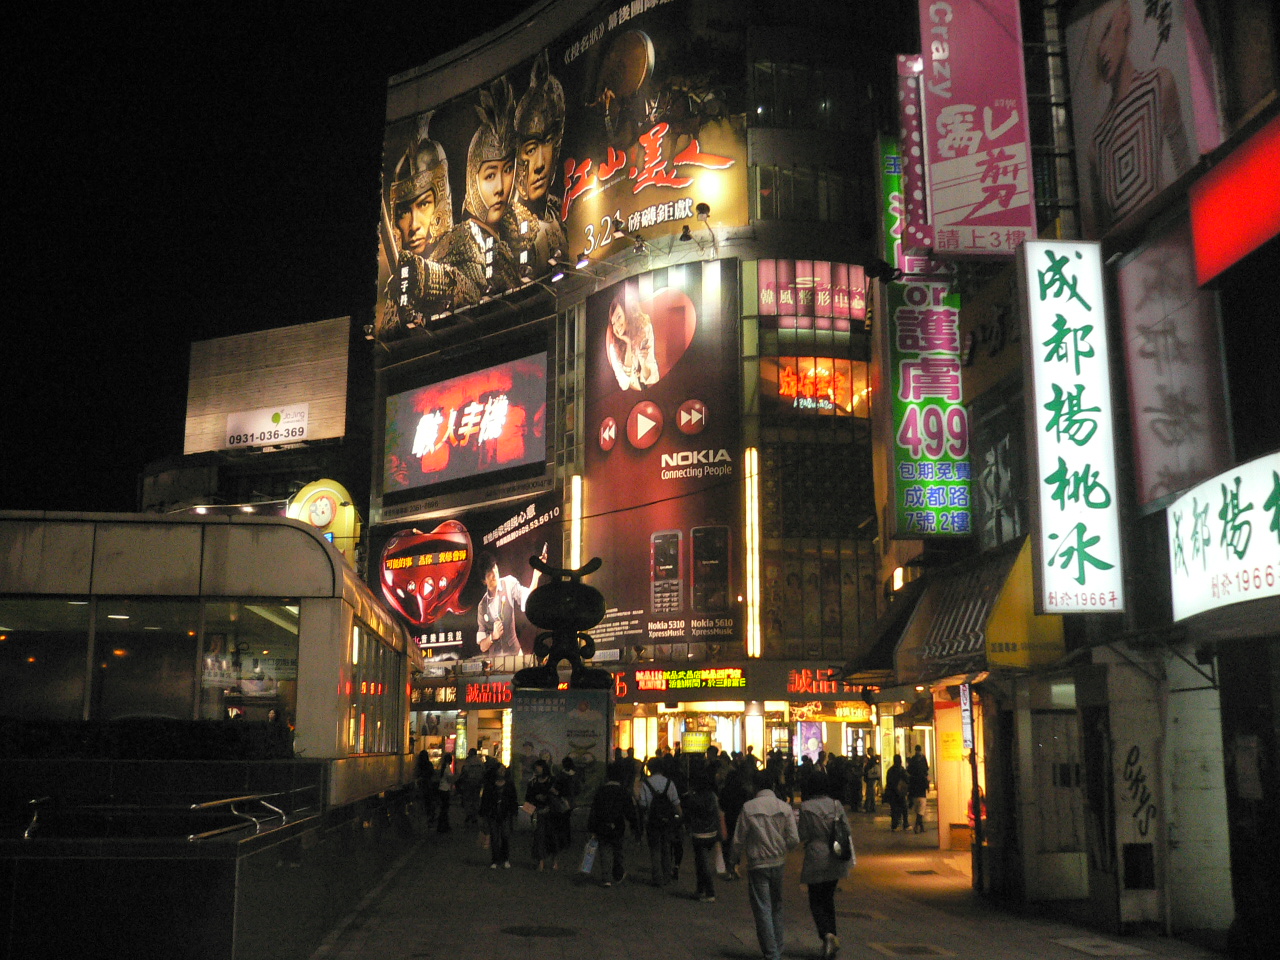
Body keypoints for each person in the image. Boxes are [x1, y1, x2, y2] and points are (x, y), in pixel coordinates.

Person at [1083, 0, 1191, 233]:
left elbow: (1185, 167)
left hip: (1169, 234)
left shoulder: (1159, 84)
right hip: (1130, 255)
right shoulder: (1097, 143)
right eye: (1097, 44)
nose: (1101, 52)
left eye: (1106, 32)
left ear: (1124, 18)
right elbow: (1099, 233)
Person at [380, 111, 480, 335]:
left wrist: (423, 277)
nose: (413, 224)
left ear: (440, 200)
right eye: (404, 211)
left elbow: (472, 290)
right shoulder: (398, 280)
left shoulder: (465, 241)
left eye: (423, 204)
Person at [437, 76, 524, 298]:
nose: (500, 188)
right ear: (472, 179)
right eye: (490, 175)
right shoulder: (460, 243)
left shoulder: (515, 231)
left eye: (507, 170)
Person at [732, 770, 801, 960]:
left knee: (762, 907)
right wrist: (782, 848)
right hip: (778, 862)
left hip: (757, 863)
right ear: (772, 786)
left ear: (755, 786)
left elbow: (738, 839)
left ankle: (771, 953)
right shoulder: (784, 807)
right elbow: (794, 839)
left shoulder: (748, 808)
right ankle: (777, 948)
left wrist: (734, 860)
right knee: (777, 905)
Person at [510, 50, 568, 274]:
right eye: (531, 149)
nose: (540, 163)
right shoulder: (507, 229)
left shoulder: (560, 214)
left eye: (548, 143)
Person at [799, 771, 852, 960]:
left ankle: (827, 935)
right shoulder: (836, 805)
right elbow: (846, 829)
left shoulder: (806, 807)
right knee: (828, 898)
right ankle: (832, 937)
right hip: (835, 856)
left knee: (815, 898)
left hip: (816, 854)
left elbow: (803, 834)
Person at [476, 547, 546, 657]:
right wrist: (492, 636)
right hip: (495, 662)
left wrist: (536, 575)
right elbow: (482, 646)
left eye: (494, 567)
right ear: (484, 580)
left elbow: (528, 599)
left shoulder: (508, 583)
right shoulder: (482, 606)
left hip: (515, 654)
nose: (494, 573)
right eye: (489, 572)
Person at [588, 760, 641, 886]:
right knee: (618, 850)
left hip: (602, 824)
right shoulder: (623, 791)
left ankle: (606, 877)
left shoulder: (601, 791)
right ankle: (617, 873)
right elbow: (630, 811)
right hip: (618, 825)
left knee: (604, 850)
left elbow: (594, 809)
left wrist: (592, 827)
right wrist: (635, 827)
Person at [638, 755, 682, 888]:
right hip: (667, 820)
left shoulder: (645, 783)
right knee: (666, 848)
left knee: (655, 849)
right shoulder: (669, 783)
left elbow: (643, 804)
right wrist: (680, 818)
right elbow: (676, 803)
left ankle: (657, 878)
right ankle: (667, 876)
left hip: (652, 820)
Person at [683, 770, 727, 902]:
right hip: (711, 832)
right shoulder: (712, 796)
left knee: (702, 863)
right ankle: (700, 889)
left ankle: (709, 892)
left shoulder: (693, 798)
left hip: (698, 833)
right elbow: (716, 813)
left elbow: (688, 814)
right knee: (701, 861)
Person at [605, 296, 660, 391]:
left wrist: (643, 363)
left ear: (628, 314)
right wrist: (628, 344)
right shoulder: (613, 348)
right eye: (613, 323)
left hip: (651, 391)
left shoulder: (645, 329)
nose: (617, 325)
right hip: (629, 398)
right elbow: (624, 384)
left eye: (619, 317)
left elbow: (653, 377)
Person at [479, 763, 518, 868]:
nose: (502, 771)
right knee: (494, 837)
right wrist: (483, 813)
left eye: (503, 769)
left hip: (505, 813)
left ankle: (505, 858)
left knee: (505, 836)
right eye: (500, 769)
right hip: (493, 813)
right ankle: (495, 859)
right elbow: (485, 800)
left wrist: (513, 812)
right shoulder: (490, 784)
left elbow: (513, 798)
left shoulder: (509, 784)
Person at [525, 758, 559, 870]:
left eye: (539, 767)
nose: (537, 769)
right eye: (536, 768)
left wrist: (548, 801)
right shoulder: (533, 782)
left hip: (551, 813)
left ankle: (554, 859)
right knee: (539, 837)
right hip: (538, 813)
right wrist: (534, 810)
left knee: (552, 836)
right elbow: (528, 799)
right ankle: (540, 860)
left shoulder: (552, 781)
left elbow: (557, 796)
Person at [550, 756, 580, 854]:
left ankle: (562, 842)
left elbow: (556, 788)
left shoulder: (561, 775)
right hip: (571, 801)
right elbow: (577, 789)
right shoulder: (575, 776)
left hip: (562, 801)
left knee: (561, 822)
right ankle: (567, 841)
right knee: (566, 821)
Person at [458, 747, 486, 827]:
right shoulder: (480, 762)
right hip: (478, 783)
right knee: (476, 799)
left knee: (468, 799)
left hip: (469, 782)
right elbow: (483, 771)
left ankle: (469, 815)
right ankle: (474, 816)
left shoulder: (469, 761)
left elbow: (465, 771)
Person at [906, 745, 930, 834]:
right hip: (921, 791)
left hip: (914, 791)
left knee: (918, 810)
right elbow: (926, 770)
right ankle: (917, 826)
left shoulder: (913, 760)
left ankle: (921, 827)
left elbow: (909, 771)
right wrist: (927, 787)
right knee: (921, 810)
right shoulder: (923, 760)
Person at [885, 754, 909, 831]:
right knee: (904, 808)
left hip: (892, 793)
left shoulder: (890, 770)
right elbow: (907, 779)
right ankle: (905, 824)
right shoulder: (901, 770)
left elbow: (888, 782)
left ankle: (894, 825)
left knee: (894, 809)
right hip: (900, 793)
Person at [436, 752, 456, 833]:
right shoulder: (447, 768)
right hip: (445, 789)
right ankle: (443, 825)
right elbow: (450, 779)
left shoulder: (443, 767)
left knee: (443, 809)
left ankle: (442, 825)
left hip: (441, 789)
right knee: (445, 809)